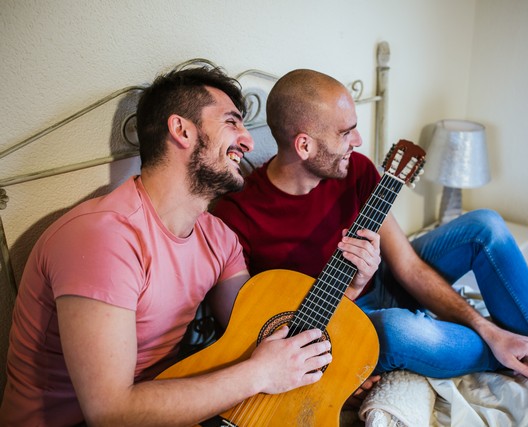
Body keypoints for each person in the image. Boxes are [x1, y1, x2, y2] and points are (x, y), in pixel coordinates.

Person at [212, 68, 528, 427]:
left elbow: (410, 267)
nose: (359, 142)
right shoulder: (238, 215)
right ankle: (516, 360)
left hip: (381, 281)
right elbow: (253, 331)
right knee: (396, 329)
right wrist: (353, 289)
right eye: (346, 133)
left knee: (485, 225)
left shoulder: (354, 170)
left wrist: (491, 330)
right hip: (331, 322)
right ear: (304, 145)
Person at [0, 66, 354, 426]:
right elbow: (109, 412)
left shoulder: (219, 238)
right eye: (232, 122)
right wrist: (257, 374)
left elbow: (259, 333)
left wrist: (350, 292)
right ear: (182, 130)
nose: (248, 141)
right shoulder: (102, 237)